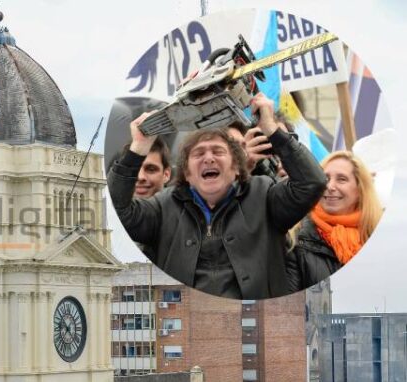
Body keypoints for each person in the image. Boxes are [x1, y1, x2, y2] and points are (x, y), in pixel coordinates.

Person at [107, 92, 327, 299]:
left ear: (236, 167)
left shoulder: (264, 194)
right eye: (199, 153)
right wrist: (138, 148)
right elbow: (119, 212)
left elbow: (312, 183)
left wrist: (272, 130)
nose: (209, 158)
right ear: (187, 173)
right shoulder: (164, 207)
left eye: (218, 151)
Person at [286, 151, 383, 291]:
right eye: (325, 178)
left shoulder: (377, 234)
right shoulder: (295, 239)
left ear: (360, 189)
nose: (330, 187)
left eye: (342, 179)